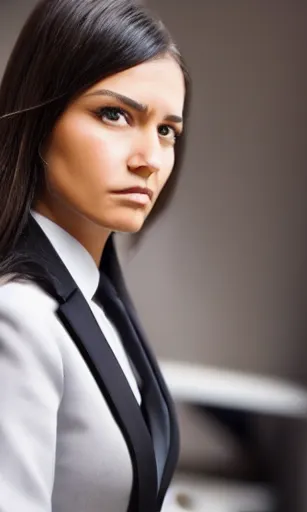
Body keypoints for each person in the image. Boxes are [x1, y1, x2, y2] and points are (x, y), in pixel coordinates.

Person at [0, 0, 190, 510]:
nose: (148, 159)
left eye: (167, 130)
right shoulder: (17, 316)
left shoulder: (96, 294)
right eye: (115, 114)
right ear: (41, 116)